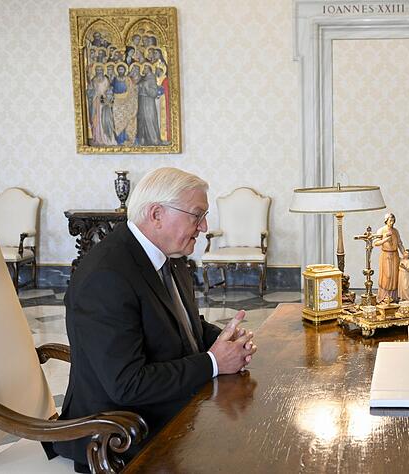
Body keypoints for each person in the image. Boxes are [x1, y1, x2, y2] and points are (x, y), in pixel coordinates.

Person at [46, 167, 257, 472]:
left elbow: (181, 325)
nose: (205, 226)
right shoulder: (105, 275)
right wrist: (213, 362)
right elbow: (127, 385)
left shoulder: (170, 255)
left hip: (169, 411)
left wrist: (225, 340)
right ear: (157, 214)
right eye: (197, 215)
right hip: (119, 436)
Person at [373, 213, 404, 301]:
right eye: (390, 220)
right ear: (386, 221)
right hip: (386, 255)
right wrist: (386, 239)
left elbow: (399, 244)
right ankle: (384, 297)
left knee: (395, 276)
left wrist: (404, 254)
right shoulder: (381, 230)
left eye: (393, 220)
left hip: (395, 255)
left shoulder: (395, 231)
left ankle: (393, 297)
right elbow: (376, 243)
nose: (392, 222)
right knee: (387, 275)